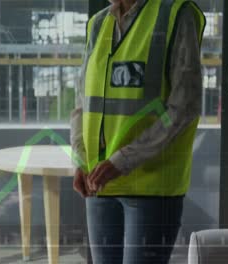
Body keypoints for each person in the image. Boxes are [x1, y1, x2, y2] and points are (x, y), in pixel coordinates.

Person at [70, 0, 205, 263]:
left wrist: (123, 160)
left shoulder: (176, 13)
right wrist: (81, 160)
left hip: (152, 188)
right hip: (100, 184)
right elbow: (82, 103)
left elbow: (184, 106)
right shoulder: (98, 23)